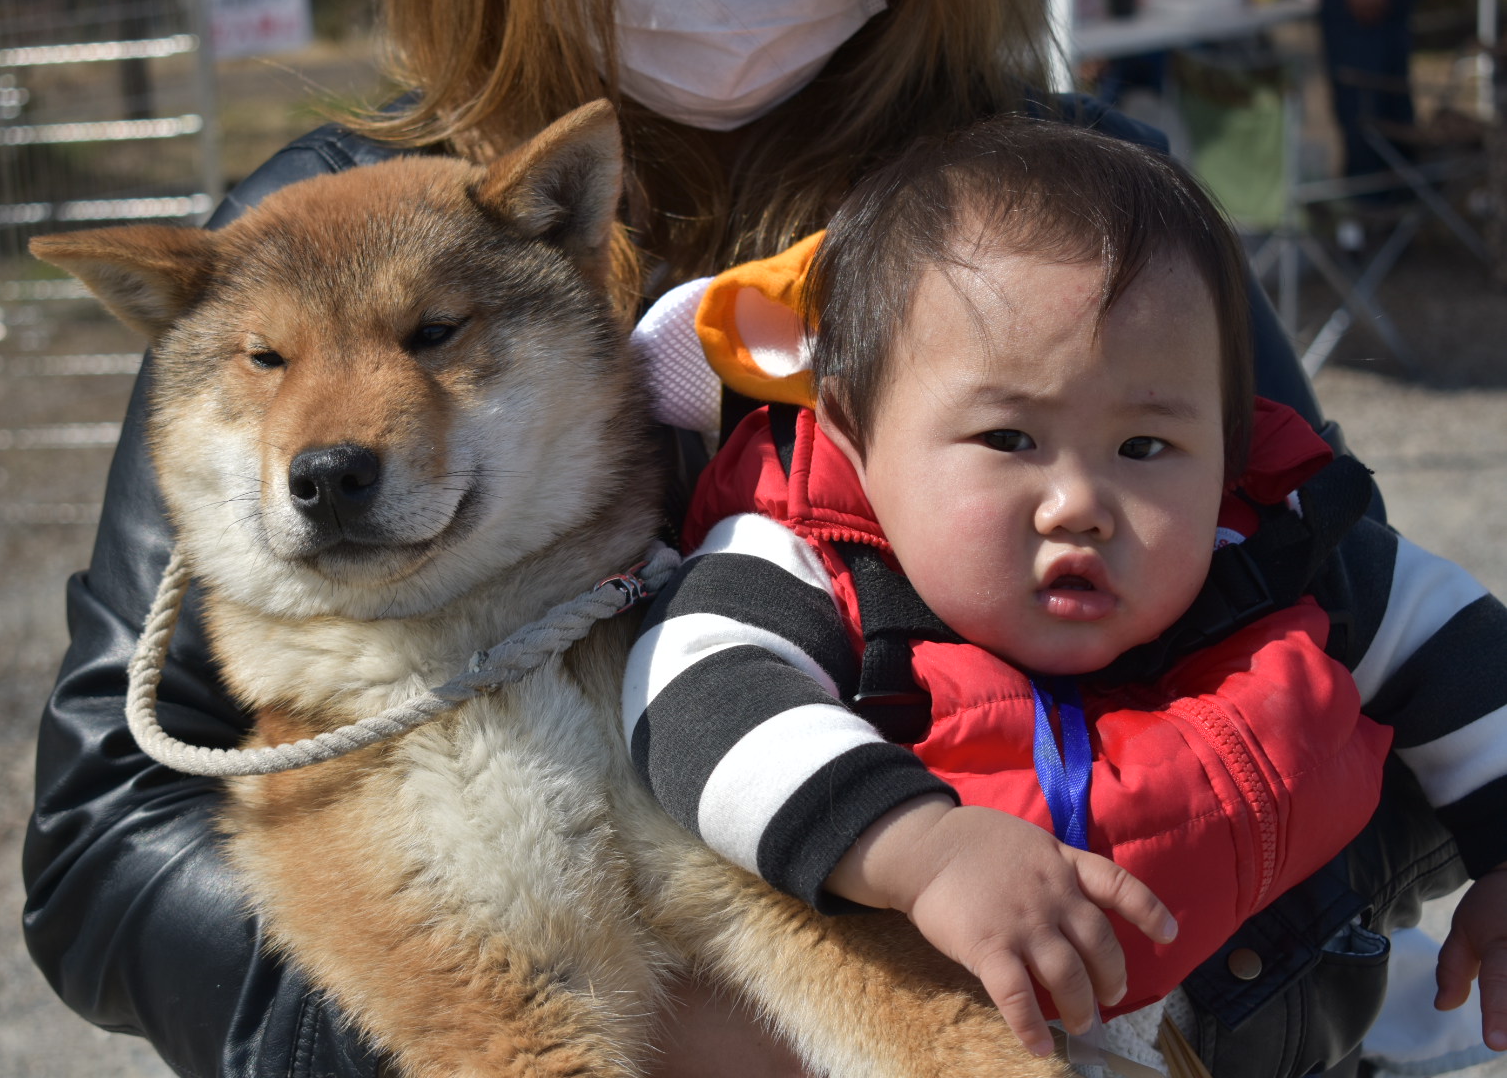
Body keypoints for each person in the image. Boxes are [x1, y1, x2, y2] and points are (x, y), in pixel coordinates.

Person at [19, 0, 1504, 1076]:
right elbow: (105, 844)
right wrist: (477, 1004)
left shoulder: (1092, 207)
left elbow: (1344, 643)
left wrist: (1150, 949)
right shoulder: (300, 228)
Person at [619, 117, 1505, 1065]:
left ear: (1230, 441)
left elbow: (1460, 646)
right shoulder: (815, 558)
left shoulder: (1272, 551)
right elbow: (690, 695)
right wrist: (922, 850)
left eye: (1145, 448)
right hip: (960, 1022)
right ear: (852, 433)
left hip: (1280, 1005)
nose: (1080, 504)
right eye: (1008, 441)